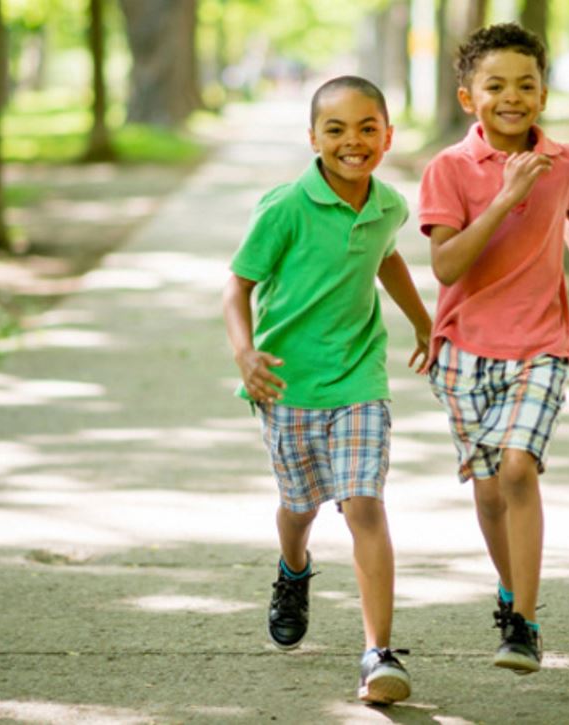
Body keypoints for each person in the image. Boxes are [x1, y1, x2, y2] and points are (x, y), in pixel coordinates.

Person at [222, 75, 432, 705]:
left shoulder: (389, 204)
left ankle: (378, 654)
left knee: (363, 502)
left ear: (388, 136)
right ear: (312, 138)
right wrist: (244, 353)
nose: (353, 141)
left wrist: (424, 320)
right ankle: (293, 567)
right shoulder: (286, 206)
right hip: (287, 383)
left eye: (368, 127)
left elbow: (385, 255)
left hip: (359, 377)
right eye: (336, 129)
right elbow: (236, 286)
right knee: (301, 505)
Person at [417, 23, 569, 674]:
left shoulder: (565, 159)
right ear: (469, 98)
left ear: (543, 93)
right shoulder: (447, 168)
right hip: (464, 347)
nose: (511, 96)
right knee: (491, 490)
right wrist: (505, 197)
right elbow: (445, 266)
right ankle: (506, 589)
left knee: (519, 467)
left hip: (540, 342)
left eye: (525, 84)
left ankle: (522, 623)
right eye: (494, 85)